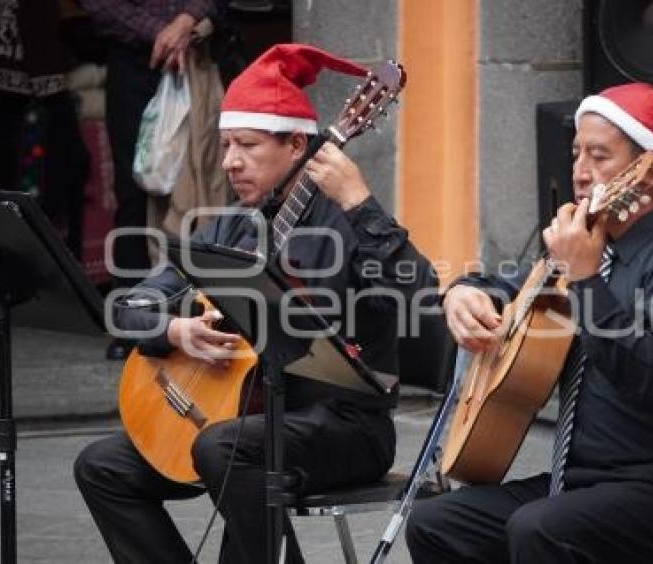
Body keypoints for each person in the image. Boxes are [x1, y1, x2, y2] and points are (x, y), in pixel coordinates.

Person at [74, 43, 438, 564]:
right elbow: (132, 305)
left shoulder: (349, 222)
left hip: (342, 424)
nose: (230, 162)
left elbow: (420, 295)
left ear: (296, 144)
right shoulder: (226, 225)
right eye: (224, 147)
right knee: (102, 465)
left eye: (245, 145)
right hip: (238, 416)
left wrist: (360, 203)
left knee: (225, 449)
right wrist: (176, 331)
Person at [405, 83, 653, 563]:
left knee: (541, 530)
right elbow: (508, 284)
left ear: (648, 168)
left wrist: (587, 279)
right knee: (438, 523)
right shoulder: (590, 241)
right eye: (576, 154)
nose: (580, 172)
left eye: (599, 156)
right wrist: (463, 294)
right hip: (587, 480)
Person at [77, 0, 225, 359]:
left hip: (198, 61)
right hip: (136, 64)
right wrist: (163, 33)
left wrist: (186, 21)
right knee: (134, 192)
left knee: (206, 190)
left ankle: (206, 311)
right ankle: (134, 320)